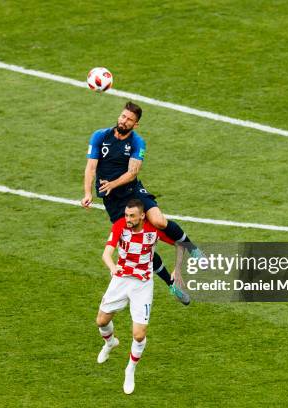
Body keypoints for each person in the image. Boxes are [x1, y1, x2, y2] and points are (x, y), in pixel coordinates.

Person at [81, 101, 202, 305]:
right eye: (122, 116)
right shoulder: (100, 136)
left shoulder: (138, 143)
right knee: (140, 244)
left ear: (135, 124)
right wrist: (87, 193)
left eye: (129, 119)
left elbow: (132, 172)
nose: (124, 120)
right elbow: (90, 167)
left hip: (133, 191)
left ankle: (193, 249)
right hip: (114, 203)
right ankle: (172, 284)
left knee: (160, 221)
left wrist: (113, 183)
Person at [96, 199, 184, 394]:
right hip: (120, 280)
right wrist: (112, 268)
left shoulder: (154, 230)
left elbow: (180, 243)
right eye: (126, 215)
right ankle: (110, 342)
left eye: (132, 216)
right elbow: (106, 254)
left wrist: (177, 270)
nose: (128, 219)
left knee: (139, 334)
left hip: (142, 285)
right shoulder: (120, 225)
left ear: (142, 216)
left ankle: (130, 369)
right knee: (101, 321)